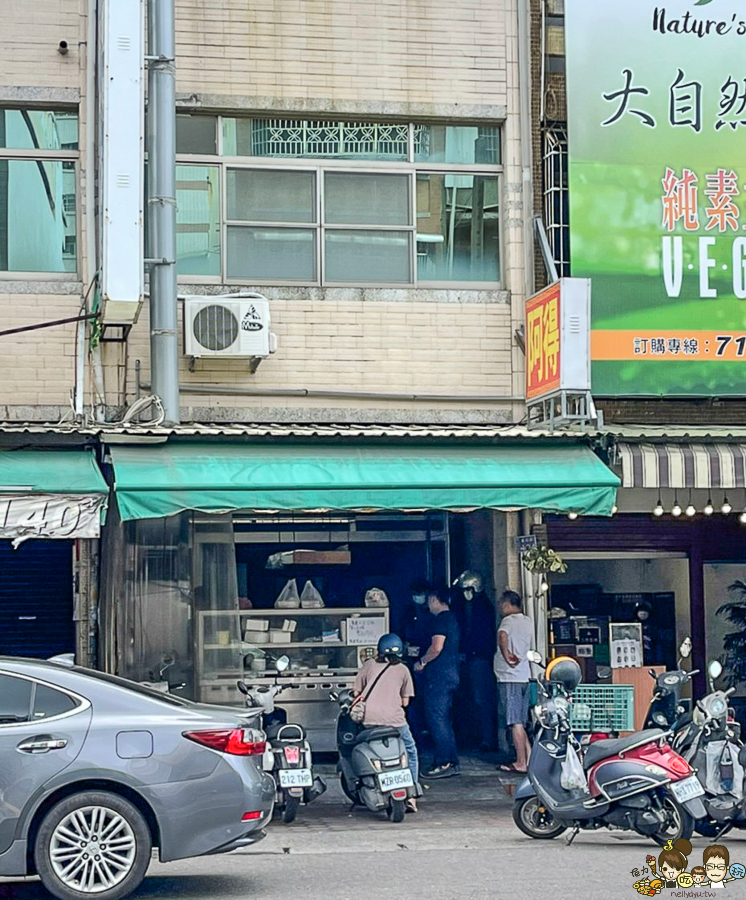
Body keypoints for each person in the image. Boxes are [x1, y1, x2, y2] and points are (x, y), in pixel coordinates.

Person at [353, 632, 420, 812]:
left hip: (370, 720)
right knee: (410, 752)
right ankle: (412, 795)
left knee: (368, 751)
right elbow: (405, 702)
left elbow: (356, 692)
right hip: (395, 722)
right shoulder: (404, 670)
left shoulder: (368, 665)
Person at [415, 587, 460, 779]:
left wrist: (421, 662)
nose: (427, 604)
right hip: (451, 674)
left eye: (429, 600)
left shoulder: (441, 620)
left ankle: (444, 762)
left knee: (436, 718)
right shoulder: (453, 619)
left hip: (439, 677)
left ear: (435, 599)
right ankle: (451, 760)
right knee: (444, 719)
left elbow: (436, 647)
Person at [454, 570, 497, 752]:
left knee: (482, 700)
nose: (466, 593)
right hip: (469, 659)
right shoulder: (466, 607)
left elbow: (482, 636)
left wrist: (471, 651)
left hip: (480, 660)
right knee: (471, 699)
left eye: (468, 589)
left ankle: (488, 738)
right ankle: (475, 735)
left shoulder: (484, 608)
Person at [494, 590, 534, 774]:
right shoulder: (527, 621)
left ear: (508, 604)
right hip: (524, 676)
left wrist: (506, 654)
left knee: (515, 722)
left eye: (502, 603)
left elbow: (502, 636)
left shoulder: (508, 621)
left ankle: (520, 762)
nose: (500, 607)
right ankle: (529, 757)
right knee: (520, 721)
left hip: (510, 678)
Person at [401, 578, 432, 739]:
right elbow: (403, 630)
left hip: (429, 660)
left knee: (429, 699)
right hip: (412, 660)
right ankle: (416, 729)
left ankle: (427, 729)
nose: (416, 597)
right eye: (414, 594)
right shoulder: (409, 611)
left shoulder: (433, 613)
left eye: (419, 594)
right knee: (412, 696)